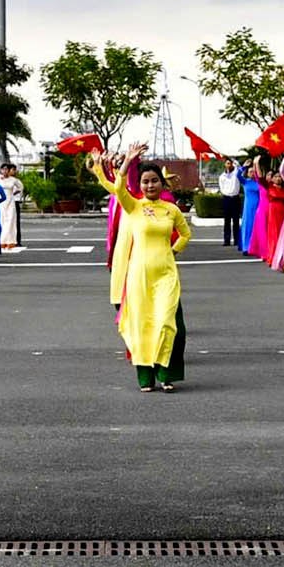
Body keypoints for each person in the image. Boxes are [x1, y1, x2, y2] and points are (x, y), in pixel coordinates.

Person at [93, 149, 193, 390]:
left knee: (167, 323)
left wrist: (173, 250)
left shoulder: (172, 209)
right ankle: (145, 377)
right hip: (139, 276)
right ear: (139, 184)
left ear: (161, 182)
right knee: (142, 324)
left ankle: (166, 374)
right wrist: (126, 162)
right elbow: (117, 189)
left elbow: (186, 234)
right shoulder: (134, 207)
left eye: (154, 180)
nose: (150, 185)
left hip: (166, 275)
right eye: (145, 181)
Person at [218, 159, 243, 247]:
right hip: (226, 198)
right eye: (227, 163)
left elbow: (240, 167)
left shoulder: (236, 173)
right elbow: (221, 188)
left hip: (235, 198)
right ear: (225, 165)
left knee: (236, 221)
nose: (229, 165)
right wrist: (226, 194)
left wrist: (233, 160)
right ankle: (227, 240)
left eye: (230, 163)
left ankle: (236, 240)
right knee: (227, 221)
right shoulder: (222, 176)